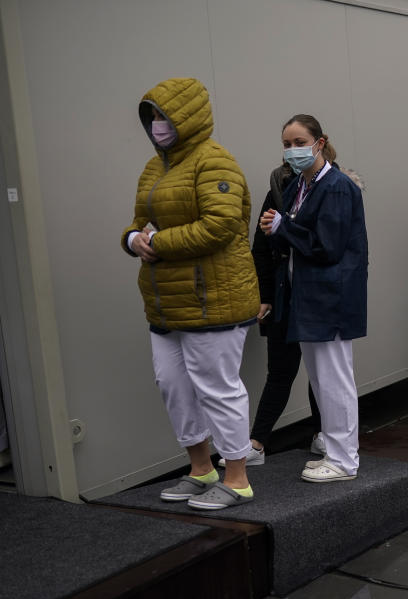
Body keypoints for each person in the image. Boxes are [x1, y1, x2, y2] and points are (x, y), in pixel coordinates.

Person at [122, 77, 259, 510]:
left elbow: (221, 225)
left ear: (188, 117)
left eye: (165, 116)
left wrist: (157, 243)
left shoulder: (215, 161)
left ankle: (237, 478)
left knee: (218, 388)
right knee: (173, 386)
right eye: (153, 117)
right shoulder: (153, 167)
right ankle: (202, 470)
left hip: (213, 300)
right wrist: (132, 240)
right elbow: (138, 221)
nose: (158, 125)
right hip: (165, 304)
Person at [260, 114, 368, 483]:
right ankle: (335, 452)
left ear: (320, 143)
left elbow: (328, 246)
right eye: (287, 144)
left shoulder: (336, 187)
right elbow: (295, 237)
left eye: (299, 142)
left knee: (335, 379)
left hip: (330, 297)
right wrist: (275, 230)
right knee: (322, 380)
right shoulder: (298, 186)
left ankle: (344, 459)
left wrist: (282, 227)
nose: (292, 151)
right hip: (307, 297)